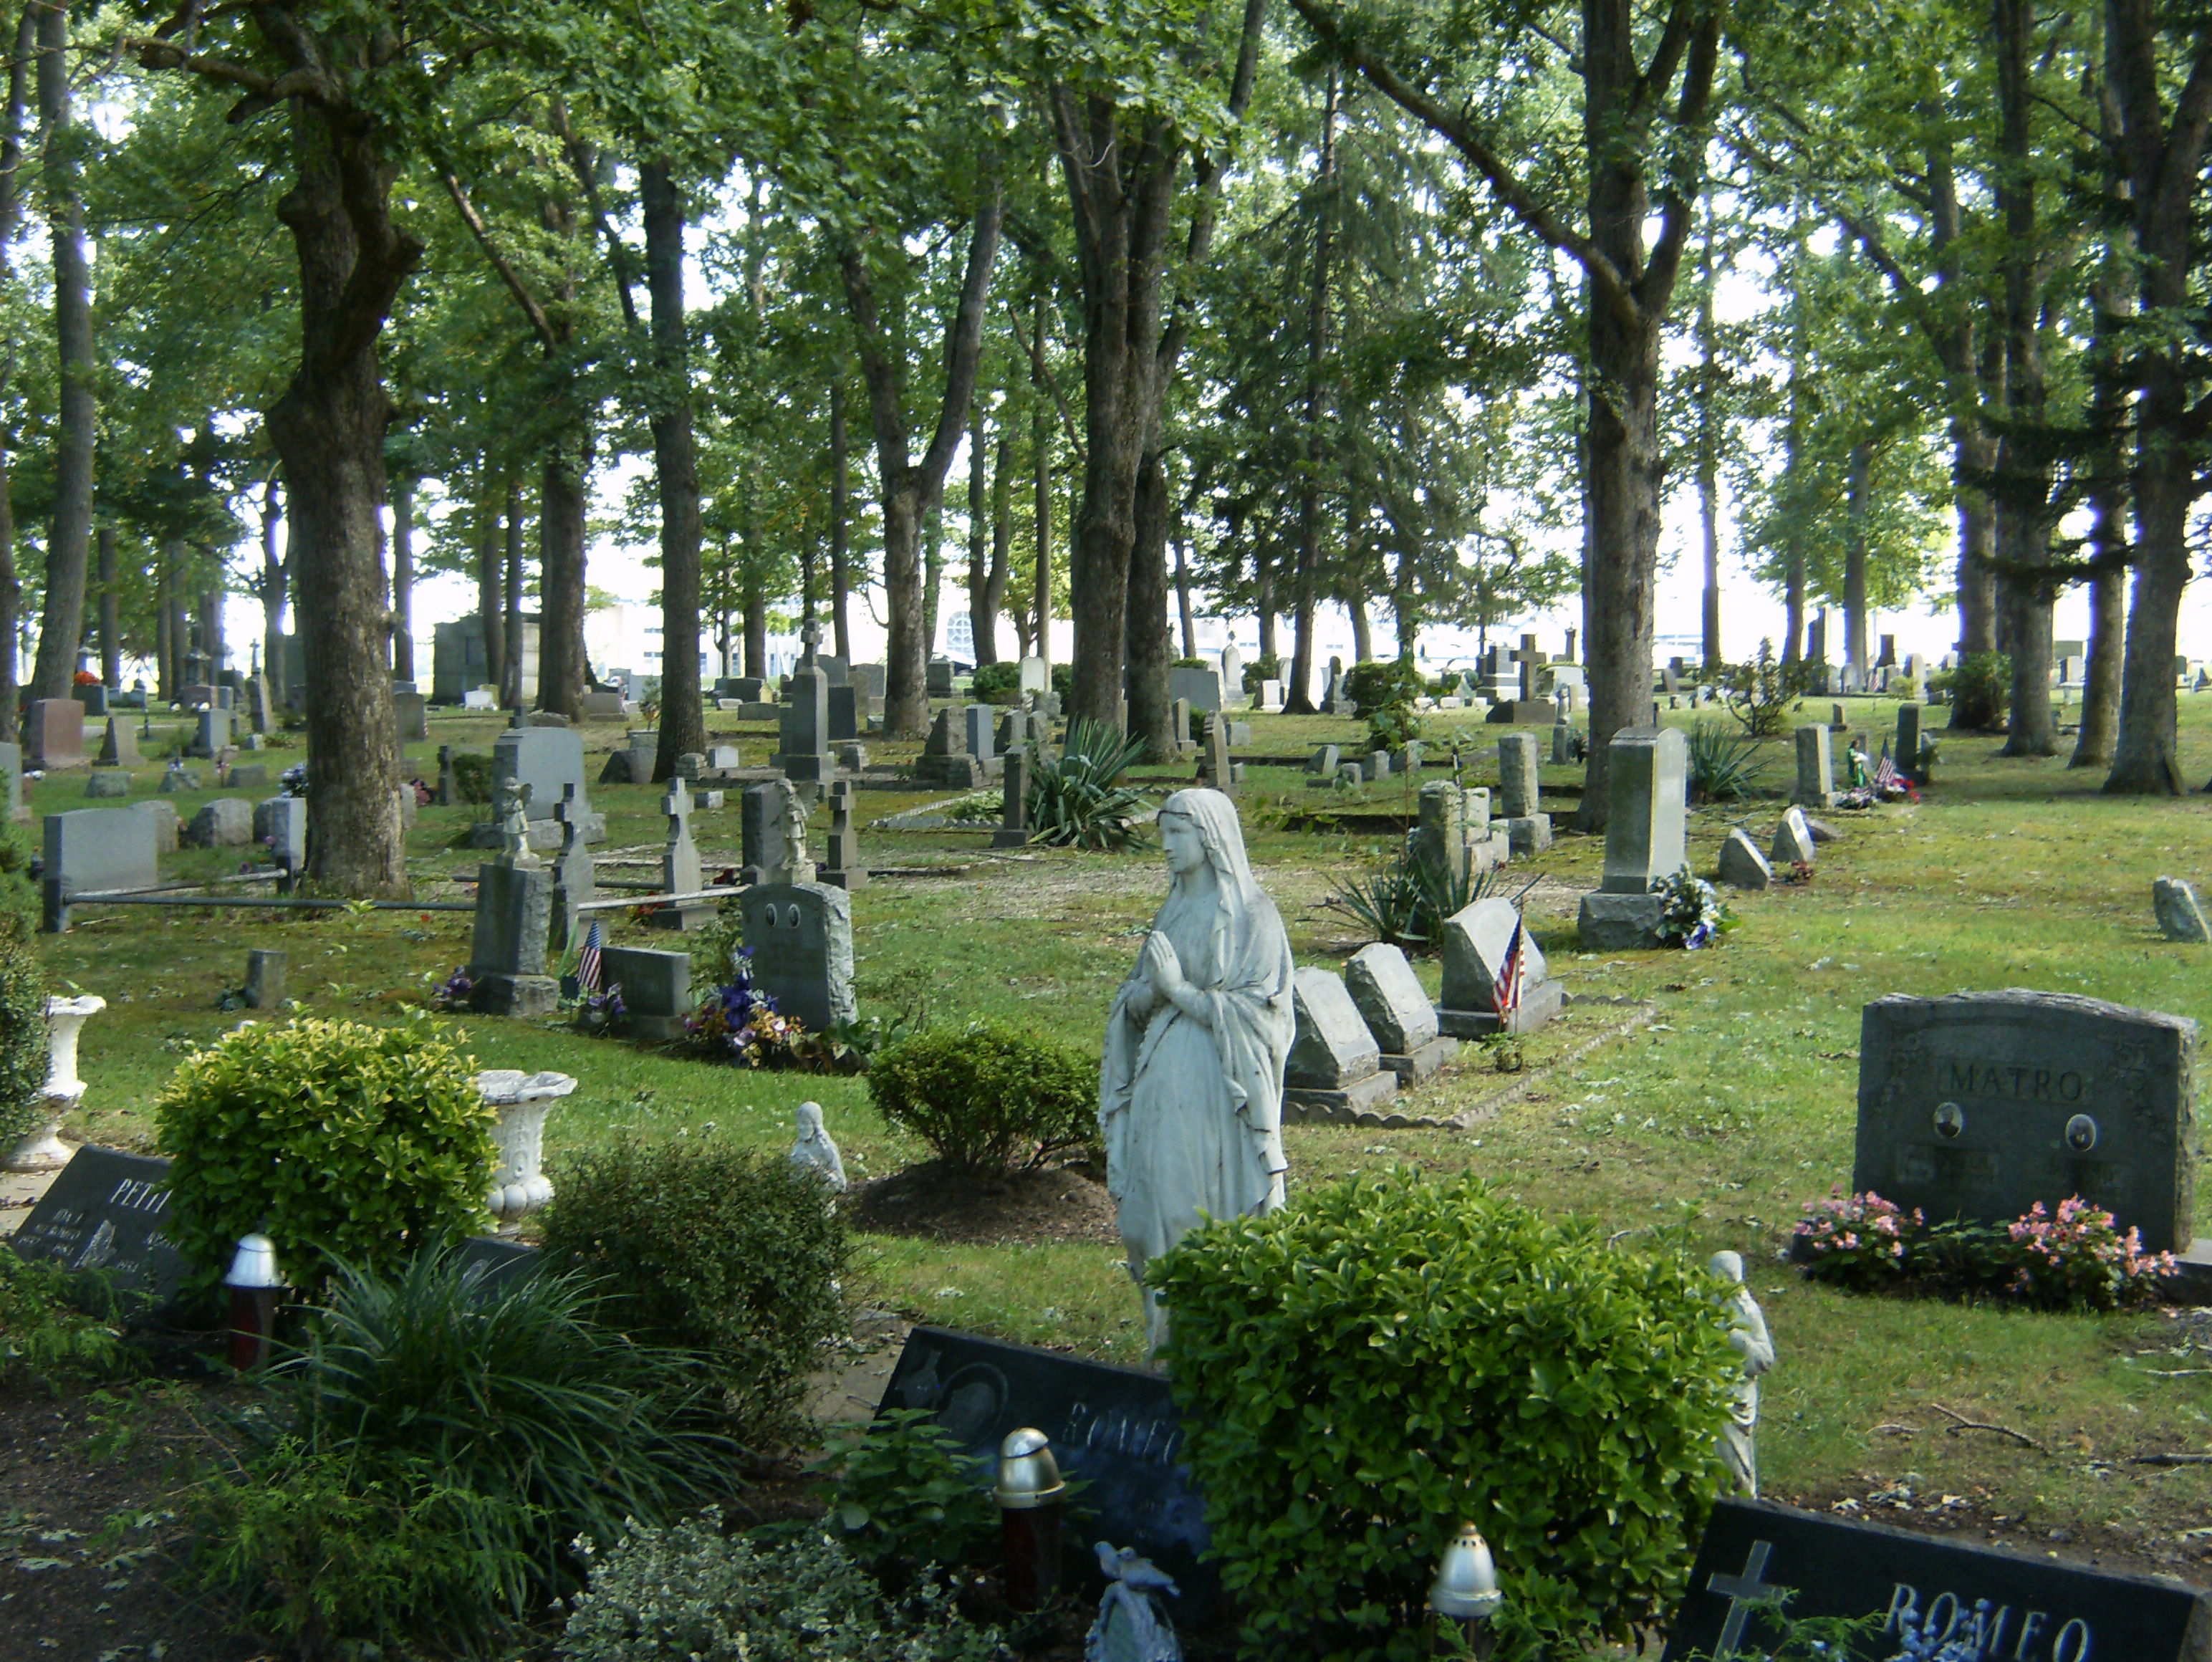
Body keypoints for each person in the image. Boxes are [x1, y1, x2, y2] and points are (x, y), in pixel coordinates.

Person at [1100, 788, 1294, 1358]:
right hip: (1160, 1079)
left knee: (1199, 1209)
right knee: (1151, 1212)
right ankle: (1165, 1340)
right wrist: (1149, 994)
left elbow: (1264, 1016)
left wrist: (1180, 990)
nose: (1165, 845)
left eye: (1177, 833)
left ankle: (1211, 1344)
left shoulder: (1253, 915)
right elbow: (1139, 996)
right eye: (1163, 833)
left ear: (1210, 837)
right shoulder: (1173, 909)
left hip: (1216, 1088)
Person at [1711, 1249, 1776, 1496]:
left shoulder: (1748, 1311)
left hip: (1734, 1395)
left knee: (1733, 1457)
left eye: (1729, 1276)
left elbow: (1765, 1358)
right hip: (1706, 1388)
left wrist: (1738, 1341)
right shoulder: (1701, 1303)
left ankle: (1740, 1498)